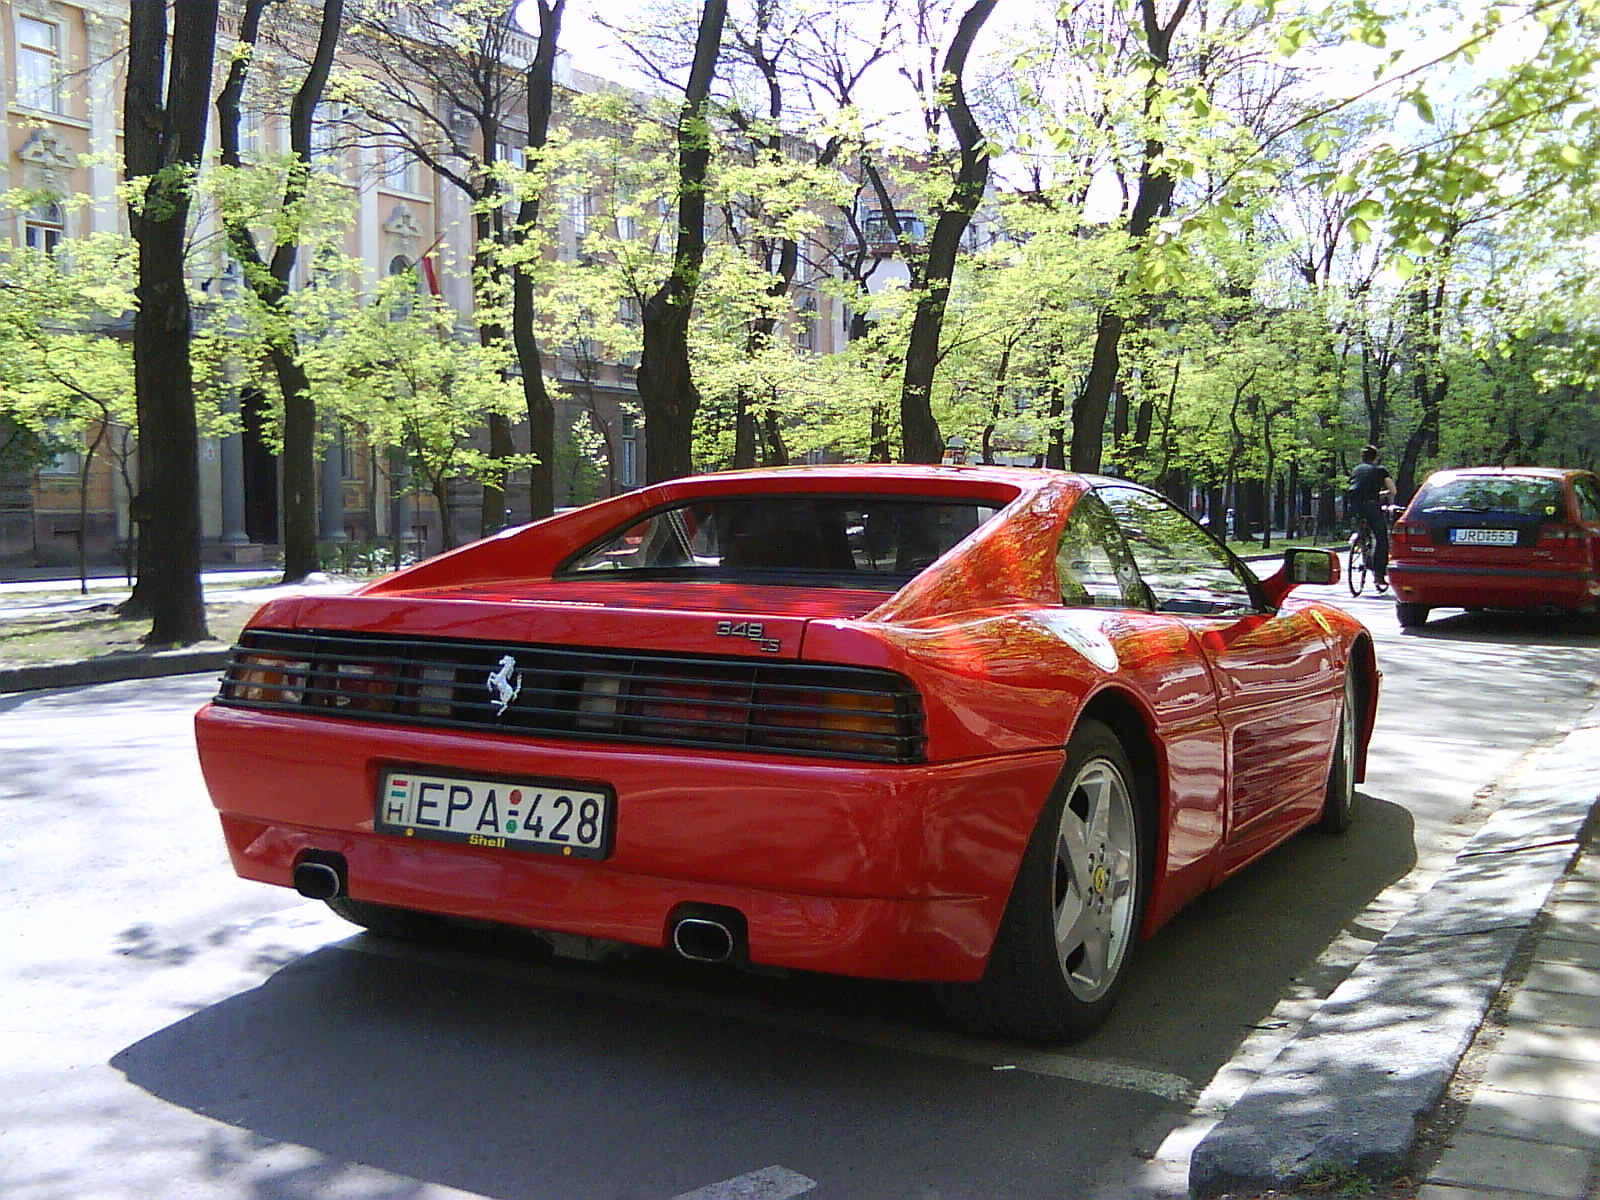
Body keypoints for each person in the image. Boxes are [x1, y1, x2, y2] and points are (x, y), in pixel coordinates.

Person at [1348, 445, 1397, 586]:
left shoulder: (1356, 470)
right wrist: (1382, 494)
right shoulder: (1380, 470)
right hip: (1371, 506)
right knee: (1382, 538)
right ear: (1376, 457)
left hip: (1354, 506)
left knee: (1362, 532)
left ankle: (1361, 545)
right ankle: (1379, 574)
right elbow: (1392, 490)